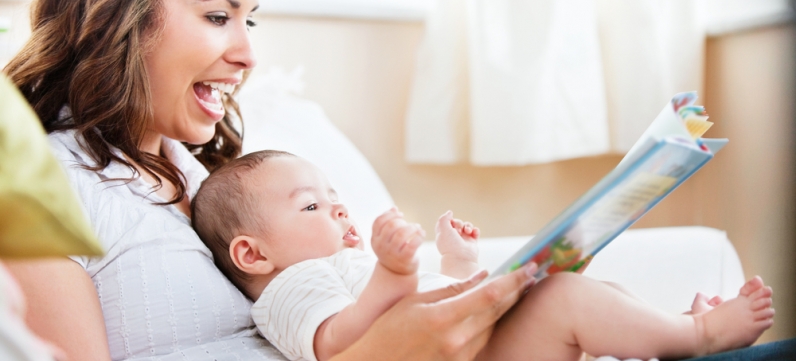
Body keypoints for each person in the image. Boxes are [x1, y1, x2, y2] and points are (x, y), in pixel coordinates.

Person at [3, 0, 795, 360]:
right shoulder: (42, 187)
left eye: (251, 19)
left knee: (567, 293)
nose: (246, 53)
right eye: (218, 16)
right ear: (120, 16)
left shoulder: (216, 174)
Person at [191, 150, 775, 361]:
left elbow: (431, 310)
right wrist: (395, 270)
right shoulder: (291, 289)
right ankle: (696, 334)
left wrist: (458, 263)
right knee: (565, 299)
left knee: (578, 291)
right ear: (251, 253)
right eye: (312, 208)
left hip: (474, 347)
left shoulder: (339, 266)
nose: (340, 213)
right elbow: (343, 345)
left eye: (337, 200)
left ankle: (668, 330)